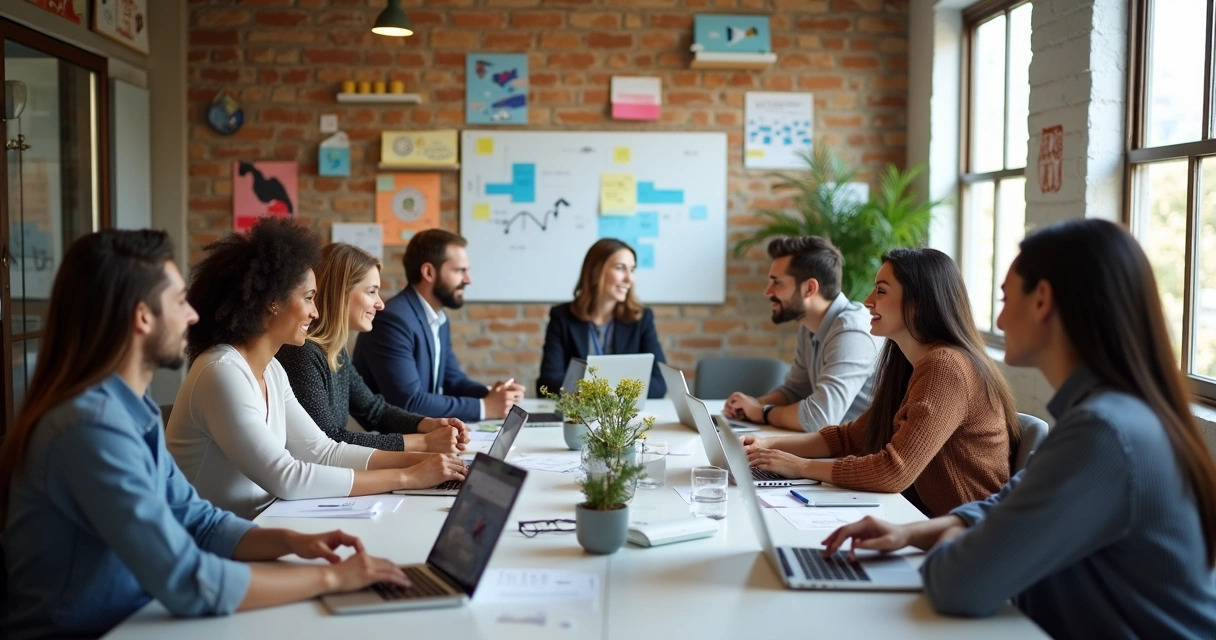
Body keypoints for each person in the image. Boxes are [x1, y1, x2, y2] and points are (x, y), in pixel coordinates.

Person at [0, 230, 409, 640]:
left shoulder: (131, 410)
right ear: (142, 316)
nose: (194, 315)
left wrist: (292, 542)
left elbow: (199, 520)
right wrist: (332, 581)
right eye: (180, 302)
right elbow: (187, 579)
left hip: (140, 618)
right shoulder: (89, 428)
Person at [822, 220, 1216, 638]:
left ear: (1042, 300)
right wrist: (911, 532)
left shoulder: (1103, 432)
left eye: (1006, 298)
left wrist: (955, 548)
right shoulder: (1114, 414)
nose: (999, 319)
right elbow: (1009, 501)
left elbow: (959, 585)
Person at [166, 218, 466, 520]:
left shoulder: (272, 371)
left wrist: (423, 460)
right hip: (204, 542)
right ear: (272, 302)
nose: (316, 311)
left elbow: (324, 451)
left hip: (259, 524)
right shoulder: (221, 372)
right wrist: (409, 477)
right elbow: (287, 477)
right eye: (309, 298)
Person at [743, 248, 1018, 517]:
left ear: (918, 303)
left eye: (881, 291)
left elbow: (893, 471)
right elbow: (851, 437)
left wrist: (800, 467)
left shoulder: (946, 367)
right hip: (924, 517)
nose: (867, 301)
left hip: (968, 535)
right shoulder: (909, 363)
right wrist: (768, 445)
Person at [277, 243, 471, 453]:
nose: (380, 304)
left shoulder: (333, 349)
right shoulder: (302, 352)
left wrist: (429, 424)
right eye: (371, 292)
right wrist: (423, 442)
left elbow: (374, 410)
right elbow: (329, 440)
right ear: (340, 293)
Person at [352, 229, 523, 422]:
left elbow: (452, 381)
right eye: (460, 271)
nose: (468, 279)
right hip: (384, 440)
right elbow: (408, 402)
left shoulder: (438, 319)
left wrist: (493, 394)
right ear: (428, 272)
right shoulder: (392, 320)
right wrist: (485, 407)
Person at [724, 237, 881, 432]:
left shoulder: (852, 332)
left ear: (810, 288)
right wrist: (749, 405)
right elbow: (795, 391)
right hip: (828, 449)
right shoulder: (810, 325)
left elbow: (819, 418)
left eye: (777, 283)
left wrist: (761, 412)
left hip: (858, 457)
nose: (767, 292)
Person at [537, 238, 668, 398]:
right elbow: (548, 381)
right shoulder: (562, 317)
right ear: (595, 272)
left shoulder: (641, 319)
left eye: (632, 270)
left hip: (623, 417)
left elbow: (659, 383)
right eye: (620, 268)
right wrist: (600, 394)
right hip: (579, 415)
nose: (629, 279)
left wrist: (605, 395)